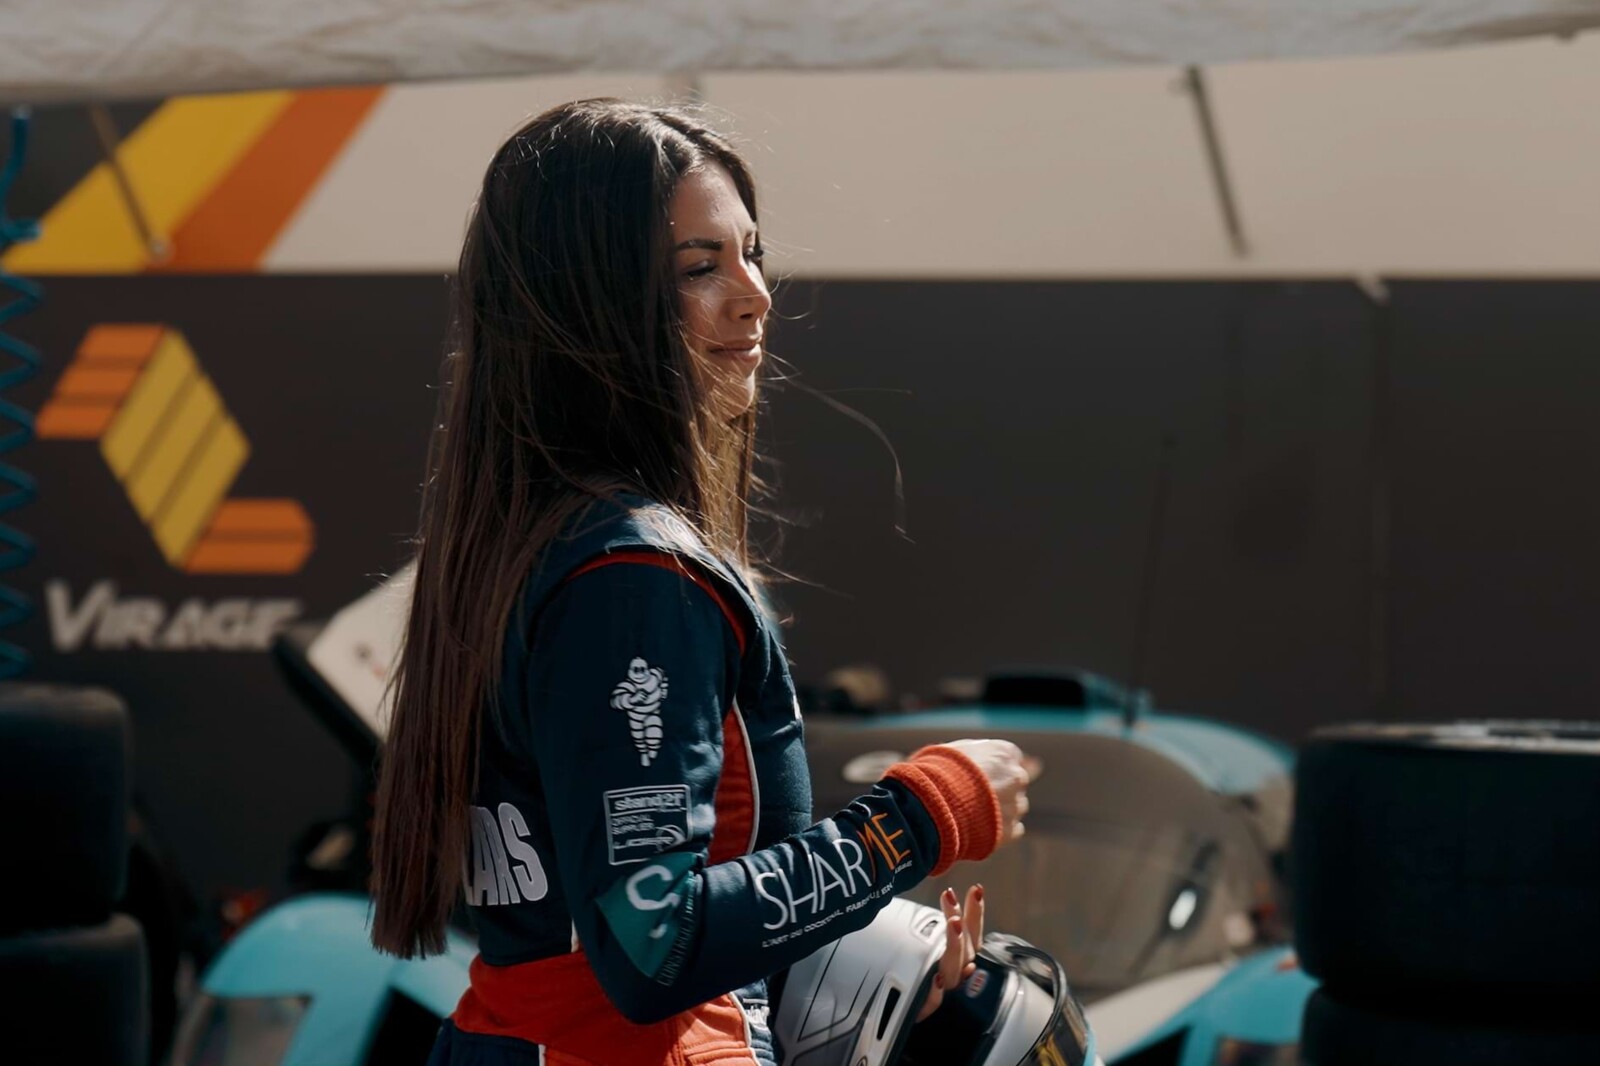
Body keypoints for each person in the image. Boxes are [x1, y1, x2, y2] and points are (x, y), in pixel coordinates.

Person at [369, 98, 1030, 1066]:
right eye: (698, 268)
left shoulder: (522, 542)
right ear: (586, 304)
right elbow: (652, 945)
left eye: (751, 254)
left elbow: (601, 935)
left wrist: (882, 981)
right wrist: (922, 815)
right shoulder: (629, 572)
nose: (754, 295)